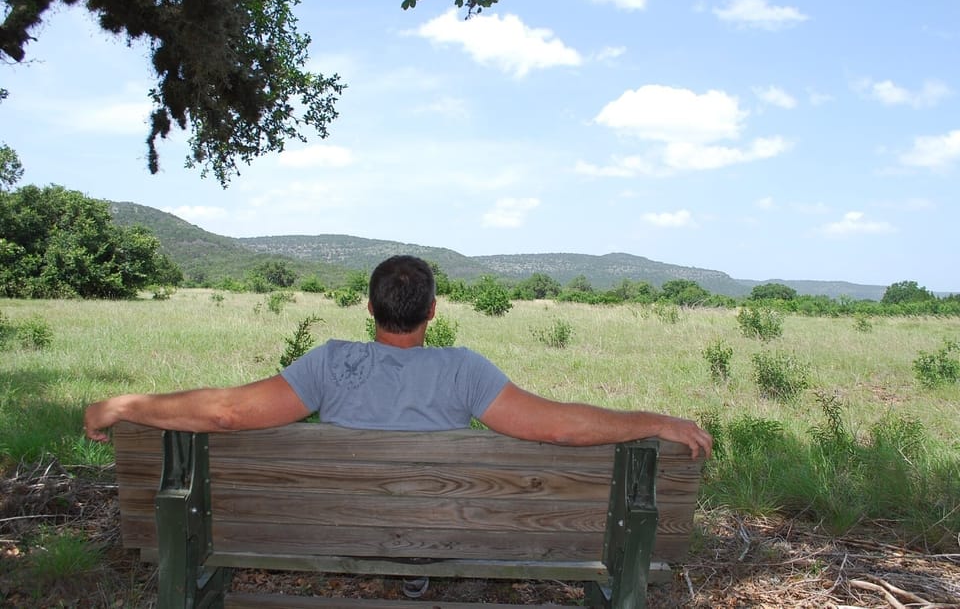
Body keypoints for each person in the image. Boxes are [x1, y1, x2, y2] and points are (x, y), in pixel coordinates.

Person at [84, 255, 712, 459]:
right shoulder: (465, 370)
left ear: (369, 308)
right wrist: (651, 421)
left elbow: (225, 413)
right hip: (450, 525)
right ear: (433, 312)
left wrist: (127, 403)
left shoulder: (329, 364)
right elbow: (556, 424)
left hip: (333, 525)